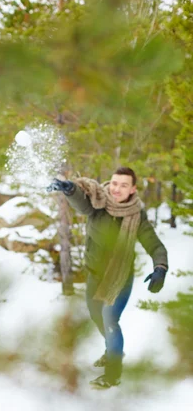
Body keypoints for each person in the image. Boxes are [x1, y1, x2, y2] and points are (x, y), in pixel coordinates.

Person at [47, 167, 168, 389]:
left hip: (120, 278)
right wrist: (69, 189)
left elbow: (154, 244)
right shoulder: (97, 204)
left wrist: (160, 267)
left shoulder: (136, 216)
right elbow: (81, 203)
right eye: (114, 183)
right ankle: (112, 349)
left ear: (132, 189)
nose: (116, 189)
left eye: (123, 185)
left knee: (110, 320)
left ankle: (113, 372)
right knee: (97, 316)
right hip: (94, 274)